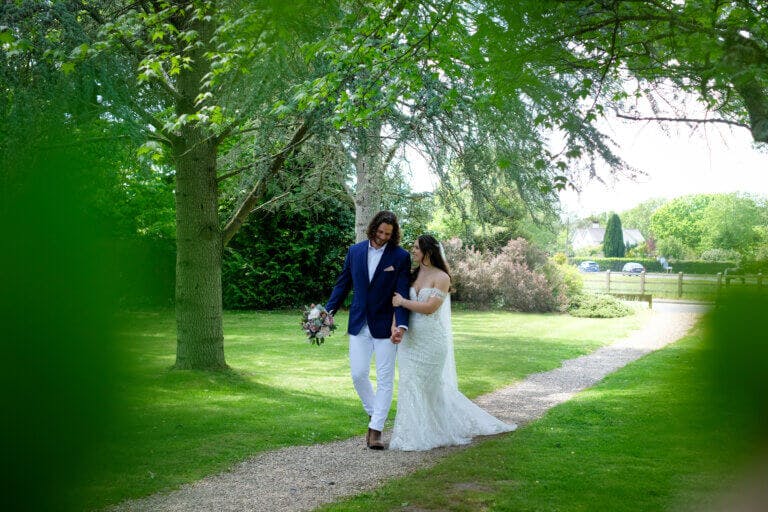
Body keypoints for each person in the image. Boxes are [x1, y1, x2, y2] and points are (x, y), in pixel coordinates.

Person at [390, 234, 515, 451]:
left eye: (417, 248)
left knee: (430, 386)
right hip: (410, 340)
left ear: (428, 251)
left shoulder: (442, 277)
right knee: (410, 383)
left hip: (432, 340)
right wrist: (396, 326)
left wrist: (403, 301)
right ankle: (412, 433)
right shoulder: (412, 275)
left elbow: (430, 308)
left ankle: (437, 430)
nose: (414, 251)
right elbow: (397, 305)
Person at [326, 211, 411, 450]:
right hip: (359, 323)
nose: (383, 237)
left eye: (388, 234)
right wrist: (326, 313)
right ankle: (375, 414)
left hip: (386, 326)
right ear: (373, 228)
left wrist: (401, 325)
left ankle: (376, 430)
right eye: (380, 232)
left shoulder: (401, 257)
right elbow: (343, 284)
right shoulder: (355, 251)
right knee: (358, 374)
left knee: (385, 379)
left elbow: (401, 292)